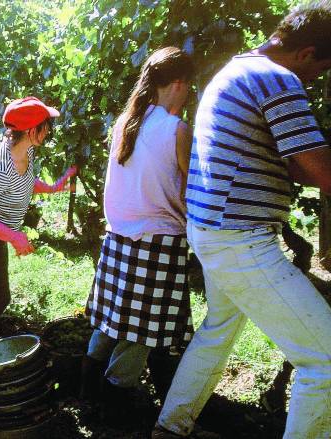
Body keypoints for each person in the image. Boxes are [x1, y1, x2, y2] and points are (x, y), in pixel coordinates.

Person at [152, 2, 331, 438]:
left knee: (218, 329)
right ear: (307, 53)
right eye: (321, 69)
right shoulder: (277, 79)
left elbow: (295, 165)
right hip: (238, 236)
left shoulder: (234, 71)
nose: (314, 80)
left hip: (211, 228)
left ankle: (170, 427)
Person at [81, 47, 196, 406]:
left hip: (119, 237)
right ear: (178, 84)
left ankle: (86, 383)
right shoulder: (176, 129)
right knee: (142, 331)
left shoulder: (126, 122)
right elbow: (191, 188)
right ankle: (117, 397)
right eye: (189, 86)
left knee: (112, 318)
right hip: (158, 241)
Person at [0, 96, 77, 348]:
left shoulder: (25, 150)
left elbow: (24, 182)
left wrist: (52, 188)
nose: (49, 130)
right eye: (45, 125)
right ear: (30, 130)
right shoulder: (1, 168)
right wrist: (14, 236)